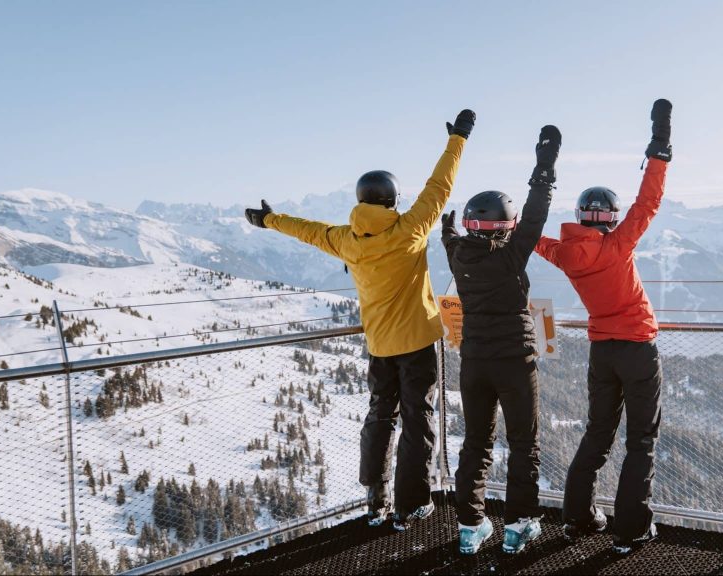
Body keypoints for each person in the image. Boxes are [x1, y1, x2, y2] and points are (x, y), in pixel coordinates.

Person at [244, 109, 476, 531]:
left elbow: (308, 230)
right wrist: (458, 138)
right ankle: (412, 503)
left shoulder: (347, 240)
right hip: (418, 345)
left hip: (380, 347)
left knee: (380, 418)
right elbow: (440, 185)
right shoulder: (411, 229)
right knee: (417, 422)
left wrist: (268, 220)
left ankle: (376, 499)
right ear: (392, 200)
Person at [534, 99, 672, 555]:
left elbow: (531, 236)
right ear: (610, 217)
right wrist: (659, 149)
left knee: (597, 434)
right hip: (637, 348)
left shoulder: (564, 253)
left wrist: (499, 222)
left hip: (602, 352)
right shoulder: (618, 245)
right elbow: (648, 201)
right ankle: (632, 529)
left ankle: (578, 518)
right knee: (640, 441)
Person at [441, 125, 561, 555]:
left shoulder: (457, 254)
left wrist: (448, 229)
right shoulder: (511, 254)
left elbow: (451, 236)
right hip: (515, 360)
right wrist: (544, 167)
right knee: (523, 443)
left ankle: (471, 527)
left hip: (474, 363)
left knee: (475, 444)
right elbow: (535, 215)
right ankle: (518, 526)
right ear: (505, 227)